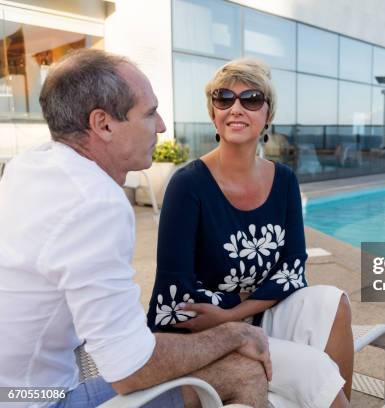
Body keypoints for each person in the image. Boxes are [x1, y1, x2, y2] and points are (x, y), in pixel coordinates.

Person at [0, 49, 271, 408]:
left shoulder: (29, 166)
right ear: (104, 124)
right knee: (243, 371)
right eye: (149, 113)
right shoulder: (94, 202)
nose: (160, 125)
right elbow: (130, 368)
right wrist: (234, 333)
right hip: (34, 399)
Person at [146, 58, 354, 408]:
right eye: (224, 98)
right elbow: (175, 295)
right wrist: (230, 322)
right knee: (312, 367)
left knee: (334, 301)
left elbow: (292, 270)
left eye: (251, 99)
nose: (236, 108)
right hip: (200, 332)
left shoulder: (284, 180)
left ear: (268, 114)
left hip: (247, 314)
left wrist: (236, 314)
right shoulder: (188, 185)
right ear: (213, 114)